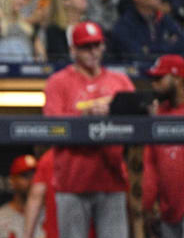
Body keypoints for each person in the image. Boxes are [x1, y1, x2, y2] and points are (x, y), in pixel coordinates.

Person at [42, 21, 133, 238]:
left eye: (97, 45)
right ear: (73, 50)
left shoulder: (119, 81)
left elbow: (136, 118)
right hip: (72, 181)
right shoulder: (58, 82)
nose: (93, 52)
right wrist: (85, 115)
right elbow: (51, 125)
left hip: (111, 178)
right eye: (85, 47)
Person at [143, 54, 184, 238]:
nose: (154, 84)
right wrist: (148, 205)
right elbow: (151, 166)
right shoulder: (158, 115)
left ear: (177, 78)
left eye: (160, 78)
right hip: (168, 211)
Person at [0, 155, 38, 238]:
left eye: (36, 176)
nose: (32, 181)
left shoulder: (51, 217)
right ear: (12, 180)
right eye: (25, 176)